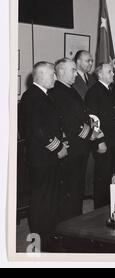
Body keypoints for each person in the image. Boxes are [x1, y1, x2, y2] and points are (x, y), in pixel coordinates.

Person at [19, 61, 68, 251]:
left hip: (48, 157)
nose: (54, 77)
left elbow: (50, 125)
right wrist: (58, 148)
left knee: (49, 198)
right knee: (41, 200)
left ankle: (49, 235)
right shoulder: (32, 96)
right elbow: (37, 130)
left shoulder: (43, 95)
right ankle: (41, 240)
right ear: (39, 75)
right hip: (41, 158)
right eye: (51, 74)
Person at [49, 58, 93, 221]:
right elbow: (70, 123)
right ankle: (70, 223)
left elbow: (83, 114)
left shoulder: (70, 89)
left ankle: (76, 219)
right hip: (72, 147)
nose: (76, 73)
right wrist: (89, 135)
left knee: (77, 188)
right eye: (73, 70)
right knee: (70, 189)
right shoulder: (57, 91)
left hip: (80, 146)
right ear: (60, 71)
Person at [85, 63, 115, 209]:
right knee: (103, 178)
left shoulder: (112, 89)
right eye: (109, 72)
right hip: (106, 142)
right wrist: (99, 142)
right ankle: (101, 209)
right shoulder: (94, 92)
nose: (113, 74)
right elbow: (93, 120)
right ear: (100, 74)